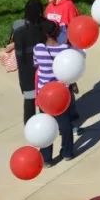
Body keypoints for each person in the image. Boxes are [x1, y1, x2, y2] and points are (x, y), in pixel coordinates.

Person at [33, 21, 79, 165]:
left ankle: (46, 158)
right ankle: (67, 152)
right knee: (65, 123)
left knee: (46, 125)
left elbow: (36, 65)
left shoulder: (38, 49)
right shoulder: (65, 49)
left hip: (44, 94)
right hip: (60, 93)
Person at [7, 0, 49, 122]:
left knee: (29, 101)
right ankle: (45, 123)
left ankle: (30, 127)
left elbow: (11, 41)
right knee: (43, 100)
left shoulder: (17, 25)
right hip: (41, 70)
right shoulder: (43, 25)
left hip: (25, 71)